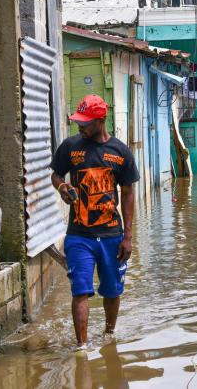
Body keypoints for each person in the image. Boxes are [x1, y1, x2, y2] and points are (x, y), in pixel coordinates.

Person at [50, 94, 139, 351]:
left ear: (101, 120)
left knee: (112, 290)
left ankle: (109, 336)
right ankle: (82, 347)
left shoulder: (120, 152)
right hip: (79, 234)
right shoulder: (70, 147)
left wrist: (128, 236)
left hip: (111, 234)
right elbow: (56, 174)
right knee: (81, 290)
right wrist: (62, 186)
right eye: (78, 121)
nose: (80, 126)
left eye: (86, 122)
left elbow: (128, 193)